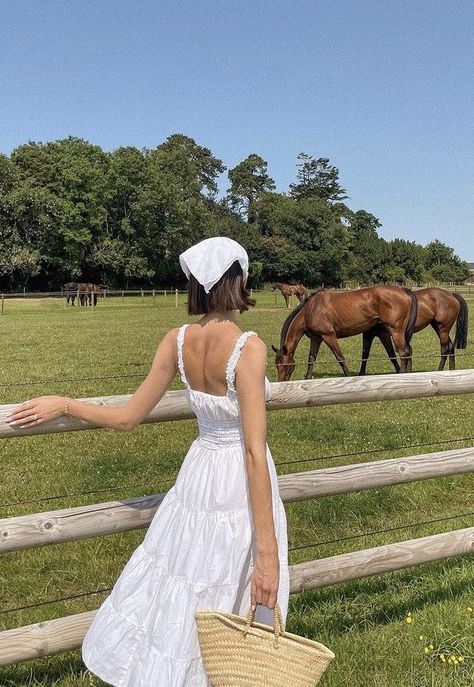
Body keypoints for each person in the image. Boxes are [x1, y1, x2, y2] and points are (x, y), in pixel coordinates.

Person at [5, 236, 290, 687]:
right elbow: (254, 453)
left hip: (198, 473)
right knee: (230, 581)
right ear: (238, 279)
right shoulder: (248, 348)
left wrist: (65, 403)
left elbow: (126, 418)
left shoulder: (177, 341)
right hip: (237, 479)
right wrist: (269, 556)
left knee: (185, 581)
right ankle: (226, 673)